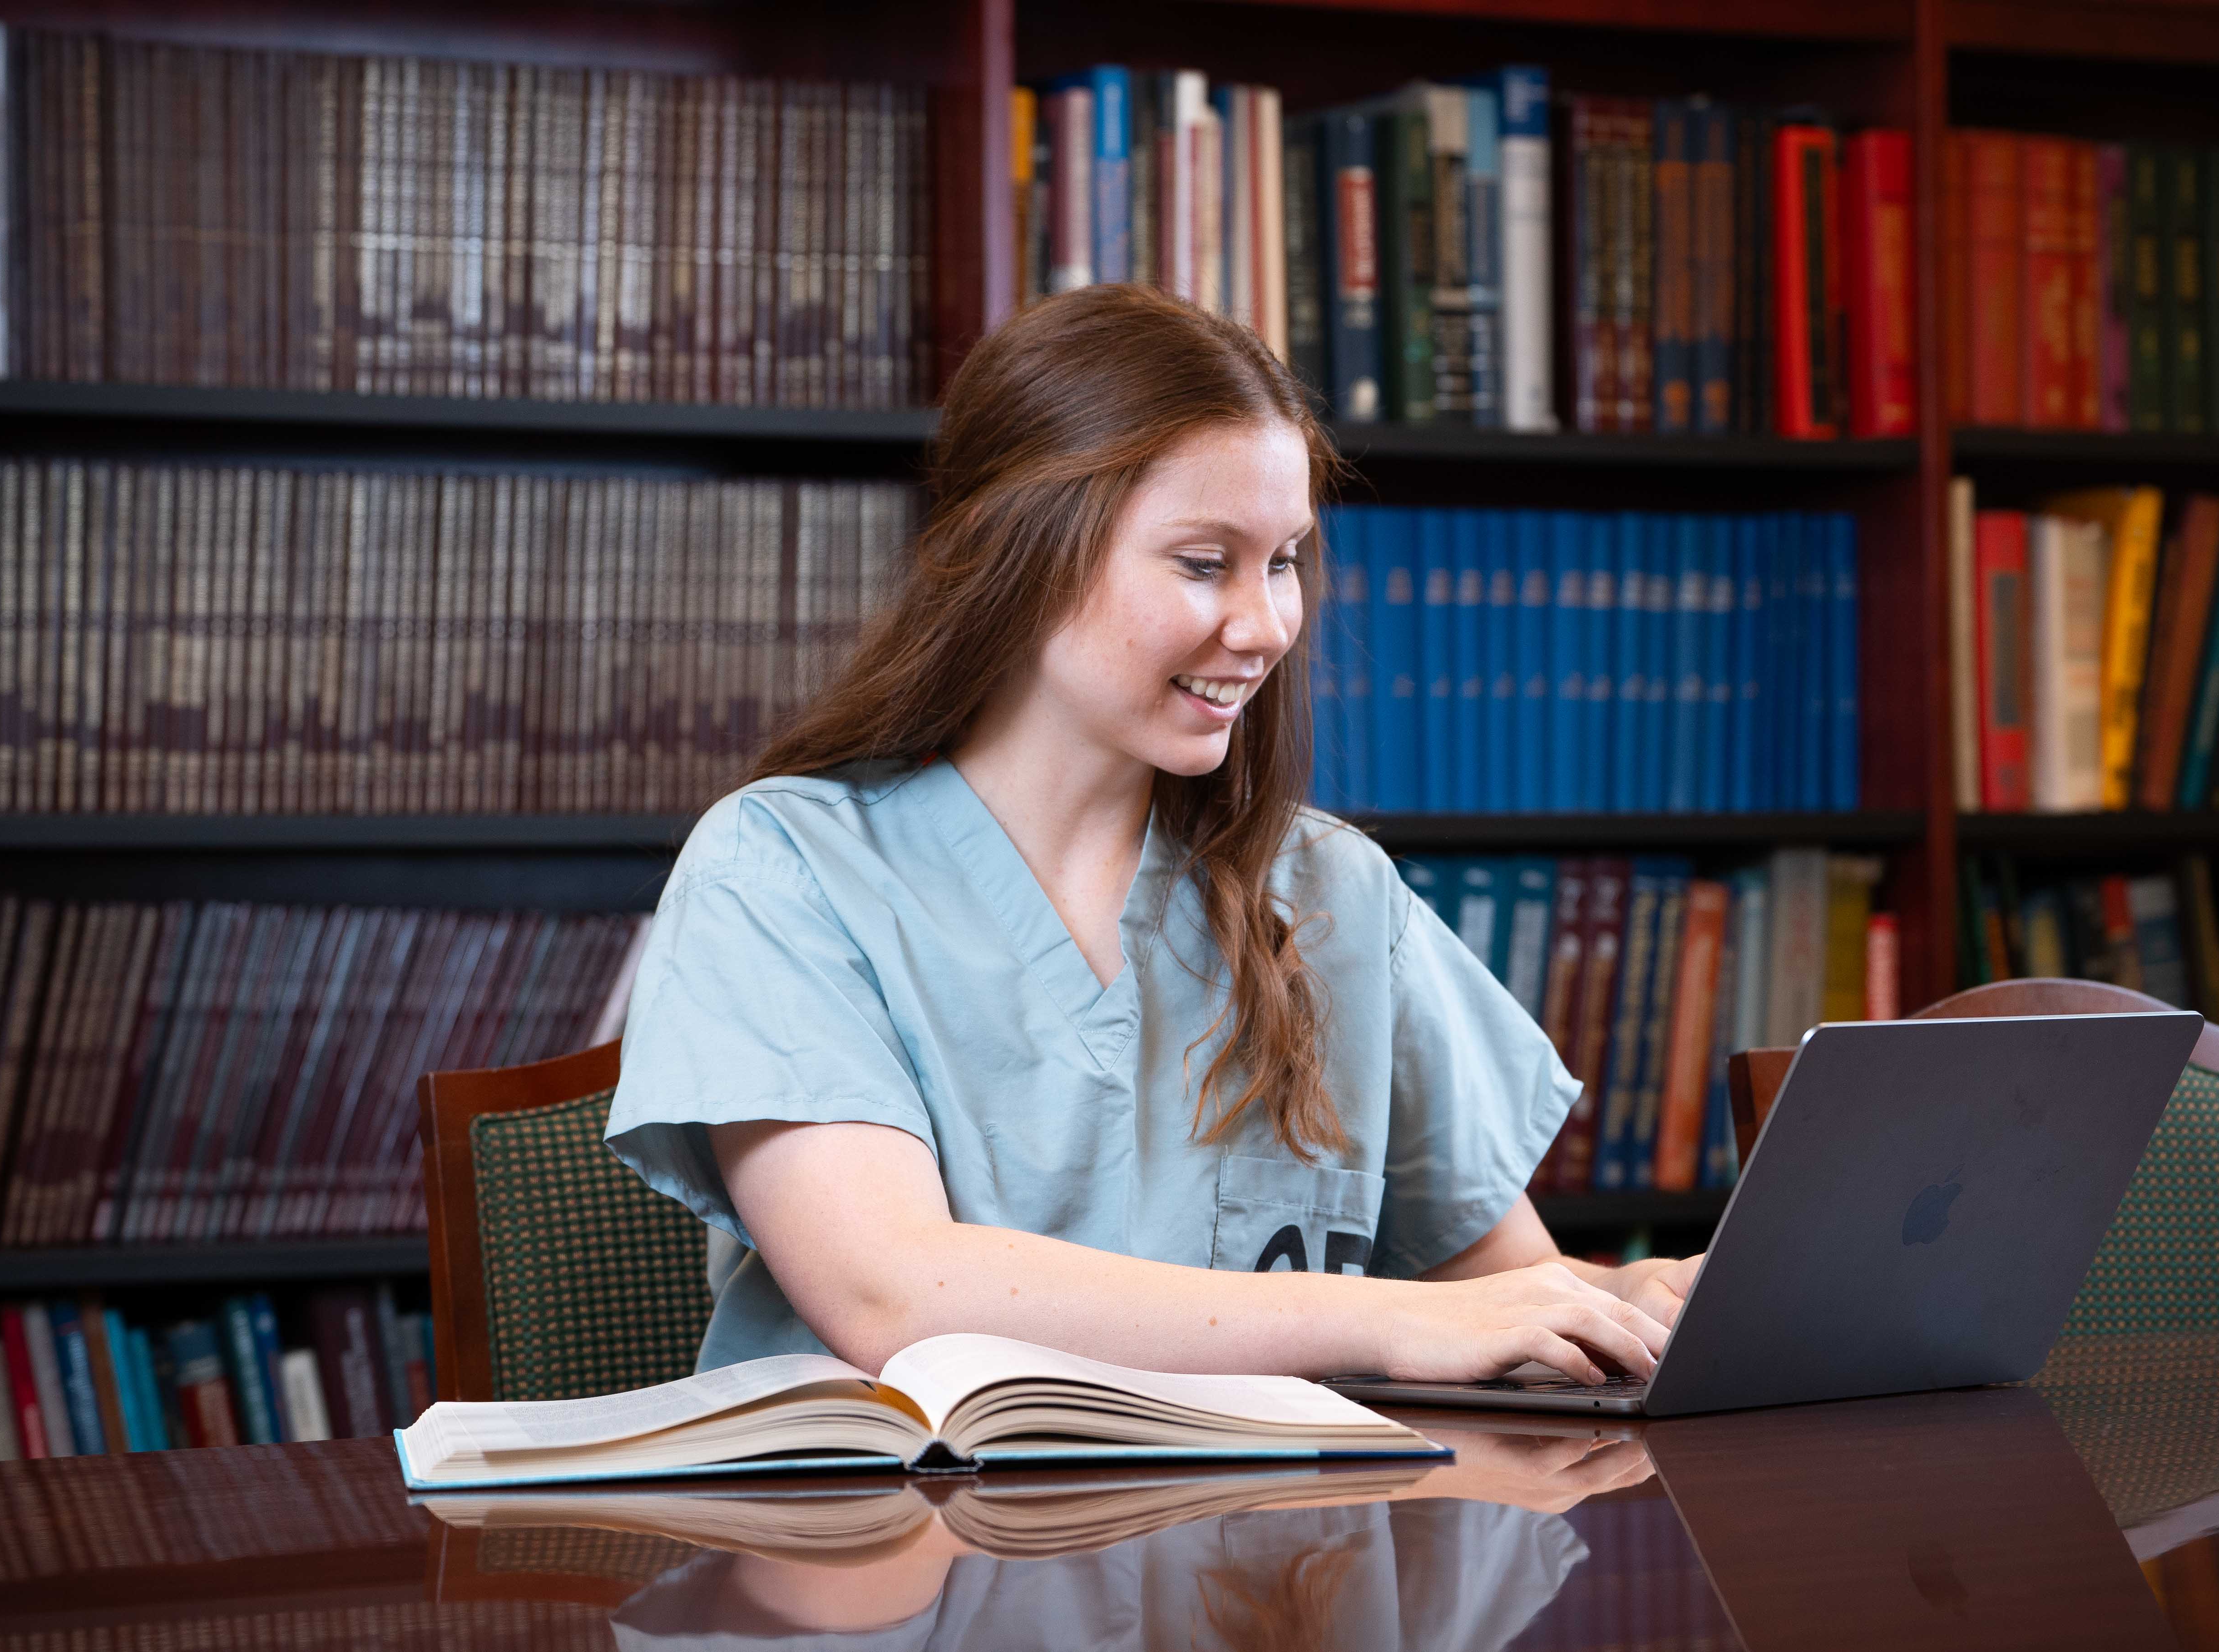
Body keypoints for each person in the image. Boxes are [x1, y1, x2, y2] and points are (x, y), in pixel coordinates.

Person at [606, 282, 1699, 1389]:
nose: (1266, 624)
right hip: (905, 1546)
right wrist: (1377, 1318)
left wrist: (1626, 1296)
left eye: (1281, 560)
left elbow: (1493, 1290)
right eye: (1202, 561)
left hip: (1262, 1553)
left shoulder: (1332, 889)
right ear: (1018, 553)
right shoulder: (781, 868)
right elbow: (891, 1290)